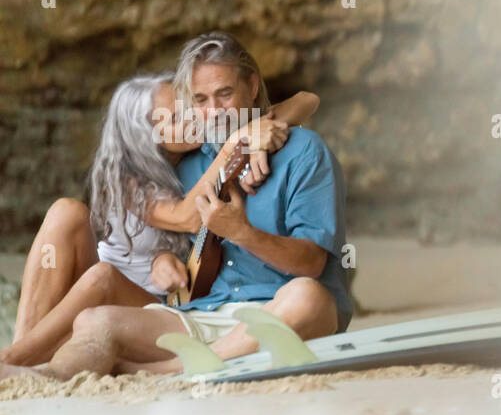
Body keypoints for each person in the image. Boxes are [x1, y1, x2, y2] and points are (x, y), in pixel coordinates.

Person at [7, 31, 350, 380]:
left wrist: (242, 233)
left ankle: (168, 370)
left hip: (279, 309)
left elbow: (311, 263)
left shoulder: (304, 152)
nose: (213, 111)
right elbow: (181, 221)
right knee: (95, 320)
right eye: (200, 100)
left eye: (225, 94)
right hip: (200, 314)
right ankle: (41, 377)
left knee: (309, 297)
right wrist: (162, 258)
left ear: (252, 84)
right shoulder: (185, 167)